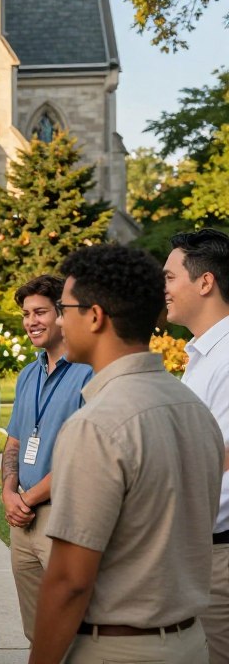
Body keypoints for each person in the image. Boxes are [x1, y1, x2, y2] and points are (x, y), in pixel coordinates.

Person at [29, 244, 223, 664]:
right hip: (190, 643)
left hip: (117, 648)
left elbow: (69, 581)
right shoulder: (191, 407)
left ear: (95, 316)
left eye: (64, 308)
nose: (60, 320)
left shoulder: (96, 425)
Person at [2, 275, 92, 642]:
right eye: (25, 314)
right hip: (22, 521)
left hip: (63, 517)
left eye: (40, 312)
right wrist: (9, 492)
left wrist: (28, 498)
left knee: (71, 632)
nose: (30, 322)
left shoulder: (90, 372)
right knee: (36, 633)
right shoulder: (28, 374)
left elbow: (87, 458)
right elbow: (14, 443)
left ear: (63, 314)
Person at [164, 228, 229, 661]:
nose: (162, 288)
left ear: (204, 282)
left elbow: (217, 460)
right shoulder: (203, 355)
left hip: (218, 554)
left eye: (169, 277)